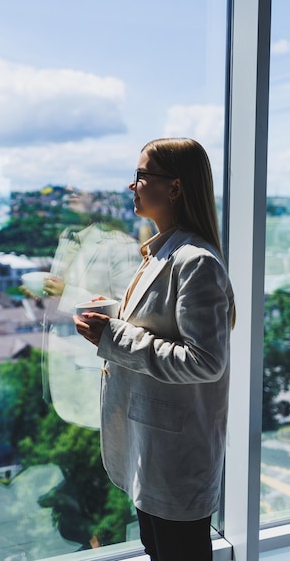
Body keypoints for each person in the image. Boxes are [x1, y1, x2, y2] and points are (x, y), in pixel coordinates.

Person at [73, 138, 235, 561]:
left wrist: (112, 336)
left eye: (141, 176)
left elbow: (205, 361)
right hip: (154, 450)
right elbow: (162, 327)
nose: (132, 186)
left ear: (175, 188)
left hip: (175, 461)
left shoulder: (195, 261)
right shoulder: (164, 252)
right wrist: (111, 320)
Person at [42, 189, 141, 429]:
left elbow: (129, 313)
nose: (69, 194)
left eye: (79, 189)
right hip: (60, 372)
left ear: (98, 198)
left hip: (94, 376)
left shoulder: (122, 246)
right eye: (68, 189)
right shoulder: (68, 238)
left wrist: (65, 293)